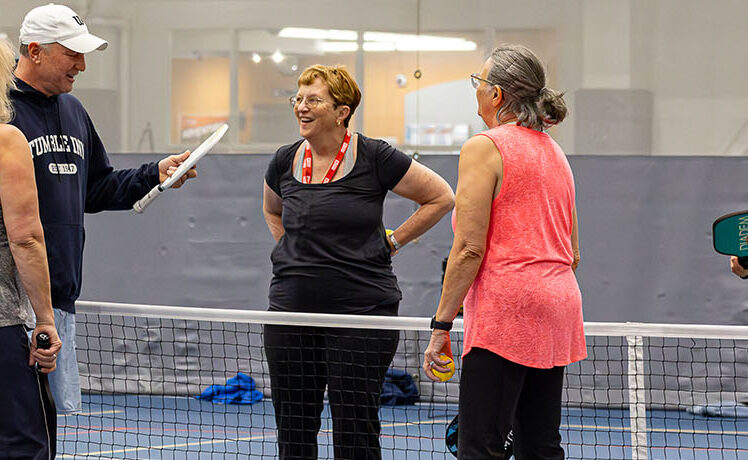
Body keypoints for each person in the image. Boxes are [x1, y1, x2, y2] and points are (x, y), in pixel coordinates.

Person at [10, 3, 197, 415]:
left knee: (43, 431)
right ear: (35, 50)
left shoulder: (74, 110)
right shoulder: (5, 113)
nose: (82, 65)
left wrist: (155, 173)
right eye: (71, 53)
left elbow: (96, 189)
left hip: (57, 304)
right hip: (10, 308)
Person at [263, 64, 454, 459]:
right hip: (291, 315)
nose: (301, 107)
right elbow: (273, 211)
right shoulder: (283, 161)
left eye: (313, 100)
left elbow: (441, 197)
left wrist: (394, 241)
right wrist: (293, 252)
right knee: (294, 431)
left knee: (354, 429)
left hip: (362, 315)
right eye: (298, 99)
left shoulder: (375, 156)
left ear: (341, 111)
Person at [423, 44, 586, 459]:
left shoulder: (484, 146)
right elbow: (573, 252)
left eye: (479, 82)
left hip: (507, 313)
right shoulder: (556, 153)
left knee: (479, 448)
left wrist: (441, 324)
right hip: (558, 308)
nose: (475, 91)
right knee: (540, 445)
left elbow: (469, 248)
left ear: (496, 95)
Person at [0, 37, 62, 459]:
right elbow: (25, 236)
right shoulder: (6, 141)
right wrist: (45, 320)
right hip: (3, 325)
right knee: (24, 446)